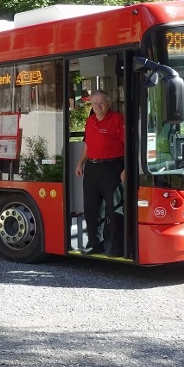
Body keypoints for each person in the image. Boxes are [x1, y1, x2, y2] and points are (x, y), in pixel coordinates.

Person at [75, 89, 125, 255]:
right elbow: (88, 145)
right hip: (92, 167)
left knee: (115, 209)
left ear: (108, 103)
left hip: (112, 167)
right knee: (92, 209)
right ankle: (95, 244)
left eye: (101, 103)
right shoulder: (90, 120)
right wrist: (80, 163)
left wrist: (126, 168)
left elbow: (130, 145)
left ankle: (117, 247)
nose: (98, 106)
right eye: (95, 103)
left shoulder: (117, 119)